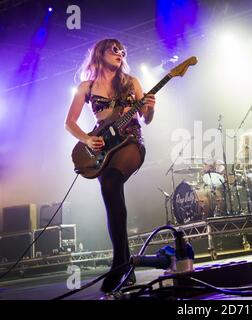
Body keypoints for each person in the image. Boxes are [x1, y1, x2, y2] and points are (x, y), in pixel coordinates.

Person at [65, 39, 155, 292]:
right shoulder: (87, 86)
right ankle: (126, 267)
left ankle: (119, 264)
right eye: (114, 49)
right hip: (104, 148)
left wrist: (149, 109)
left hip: (130, 142)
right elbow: (69, 122)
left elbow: (146, 119)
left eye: (123, 51)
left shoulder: (131, 82)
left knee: (113, 181)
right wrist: (86, 138)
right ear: (100, 53)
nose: (120, 53)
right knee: (109, 193)